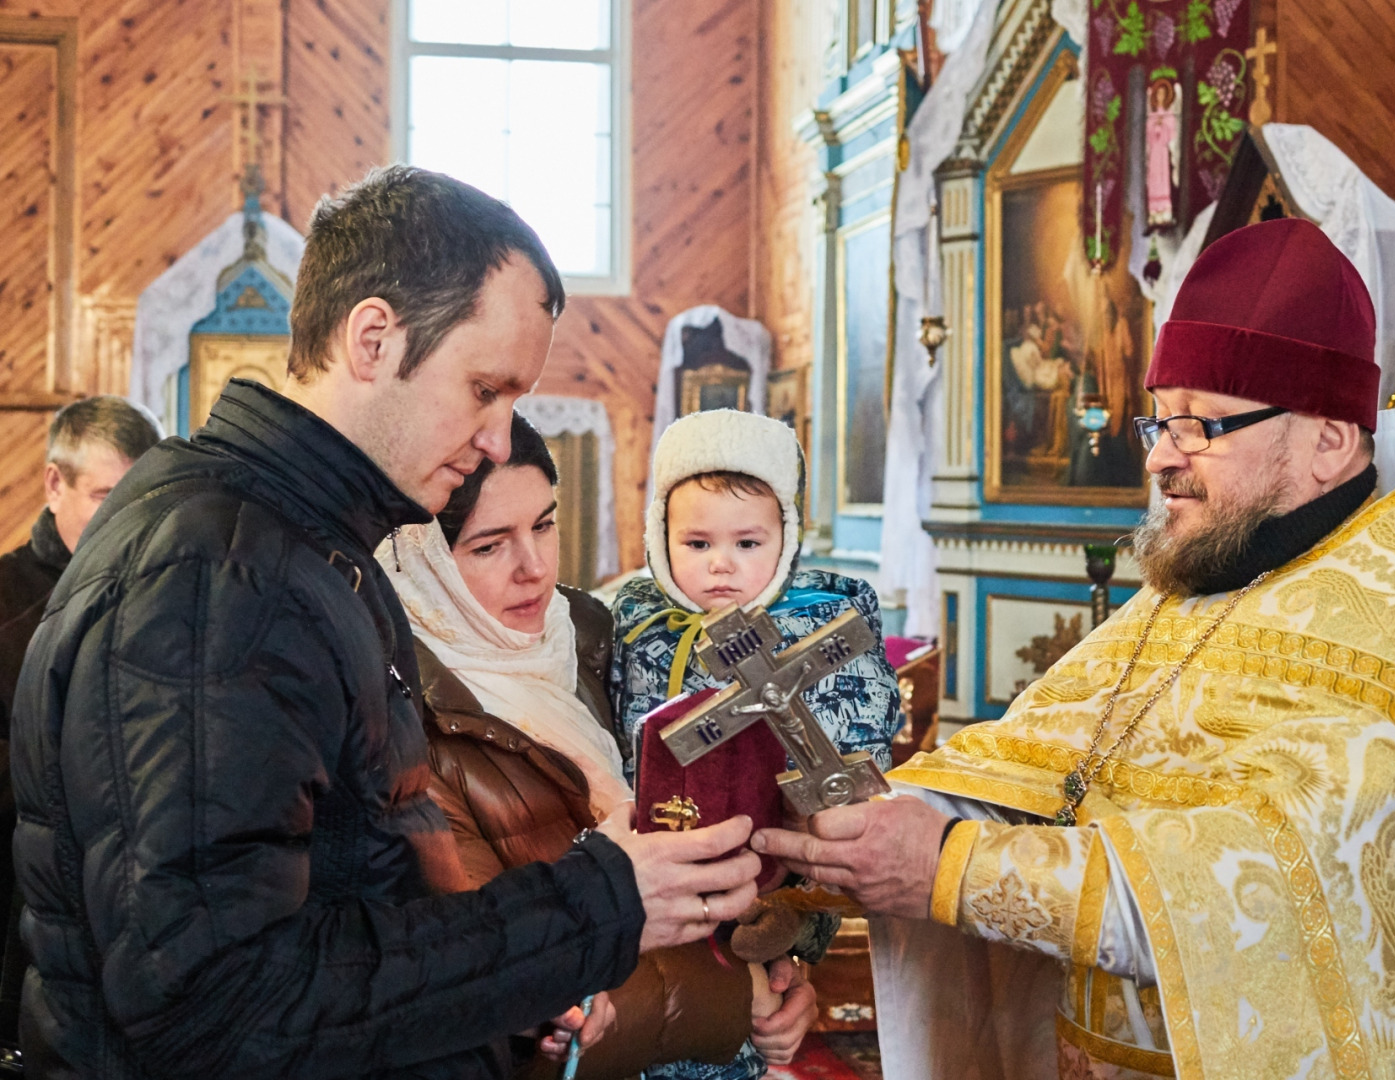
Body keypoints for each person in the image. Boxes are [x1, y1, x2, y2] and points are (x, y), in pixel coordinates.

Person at [755, 218, 1395, 1078]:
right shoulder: (1205, 579)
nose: (1160, 458)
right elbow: (1032, 773)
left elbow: (1249, 890)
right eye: (1158, 424)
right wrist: (830, 854)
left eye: (1200, 427)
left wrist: (944, 867)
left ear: (1330, 440)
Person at [10, 165, 760, 1080]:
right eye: (486, 389)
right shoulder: (220, 575)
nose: (498, 437)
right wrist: (595, 905)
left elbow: (355, 901)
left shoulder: (304, 543)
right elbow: (218, 1005)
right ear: (373, 339)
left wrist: (510, 997)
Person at [383, 412, 817, 1078]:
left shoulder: (597, 638)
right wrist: (738, 996)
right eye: (489, 545)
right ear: (424, 560)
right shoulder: (404, 720)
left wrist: (781, 968)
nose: (535, 569)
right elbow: (498, 994)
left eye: (545, 524)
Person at [610, 407, 902, 1080]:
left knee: (745, 1028)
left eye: (747, 544)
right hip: (650, 876)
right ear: (660, 536)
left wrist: (796, 934)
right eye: (697, 544)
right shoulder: (634, 622)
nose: (721, 567)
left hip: (764, 880)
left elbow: (845, 778)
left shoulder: (818, 630)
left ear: (786, 536)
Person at [0, 397, 162, 1058]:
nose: (123, 516)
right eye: (103, 495)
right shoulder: (6, 596)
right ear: (53, 485)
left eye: (138, 494)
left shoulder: (163, 588)